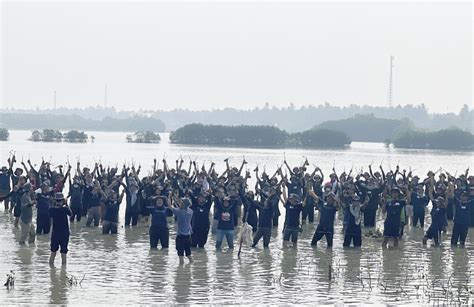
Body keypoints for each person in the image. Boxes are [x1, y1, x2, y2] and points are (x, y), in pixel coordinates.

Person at [49, 192, 72, 266]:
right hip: (64, 234)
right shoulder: (65, 209)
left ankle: (51, 269)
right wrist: (67, 204)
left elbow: (49, 212)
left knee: (53, 252)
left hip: (55, 234)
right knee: (63, 253)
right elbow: (71, 213)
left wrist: (53, 204)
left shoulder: (52, 210)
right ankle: (63, 270)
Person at [170, 196, 194, 264]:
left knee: (181, 255)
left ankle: (181, 270)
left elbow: (170, 206)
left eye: (181, 202)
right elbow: (182, 207)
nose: (180, 203)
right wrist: (178, 200)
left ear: (183, 204)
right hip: (188, 236)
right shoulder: (190, 211)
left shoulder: (179, 212)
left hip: (180, 237)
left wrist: (169, 197)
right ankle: (191, 265)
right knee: (188, 254)